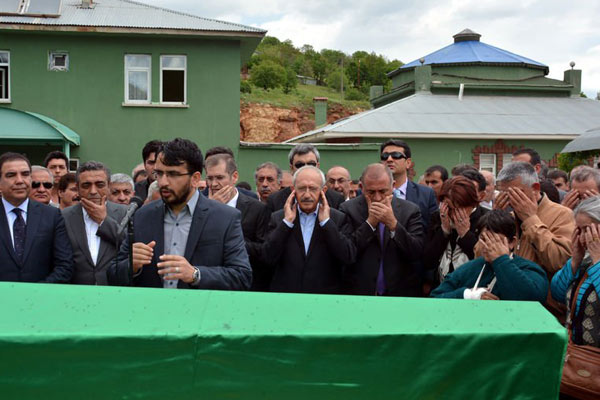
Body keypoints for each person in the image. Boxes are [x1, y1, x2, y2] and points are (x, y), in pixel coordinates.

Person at [107, 138, 251, 290]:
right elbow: (112, 274)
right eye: (159, 173)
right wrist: (131, 265)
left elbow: (242, 277)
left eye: (172, 174)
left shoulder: (225, 218)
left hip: (200, 311)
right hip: (150, 311)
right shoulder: (143, 216)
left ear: (195, 179)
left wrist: (196, 274)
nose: (163, 182)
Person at [492, 161, 574, 318]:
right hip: (507, 306)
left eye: (516, 193)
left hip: (545, 310)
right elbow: (481, 257)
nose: (510, 201)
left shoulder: (562, 215)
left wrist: (531, 220)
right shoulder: (508, 217)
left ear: (535, 188)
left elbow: (559, 261)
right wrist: (495, 220)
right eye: (504, 195)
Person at [261, 166, 356, 294]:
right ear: (293, 190)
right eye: (301, 189)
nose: (306, 195)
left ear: (323, 190)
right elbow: (267, 257)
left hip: (324, 298)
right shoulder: (279, 218)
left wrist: (326, 223)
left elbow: (347, 256)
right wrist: (286, 223)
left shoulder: (337, 218)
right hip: (286, 298)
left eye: (312, 189)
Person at [340, 164, 424, 296]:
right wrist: (370, 223)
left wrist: (393, 224)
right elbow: (346, 252)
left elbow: (416, 251)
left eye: (383, 191)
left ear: (393, 186)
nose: (377, 198)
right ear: (361, 187)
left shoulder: (410, 211)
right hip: (359, 293)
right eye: (371, 192)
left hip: (399, 294)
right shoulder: (348, 209)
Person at [431, 210, 548, 302]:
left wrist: (501, 260)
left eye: (495, 240)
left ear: (512, 242)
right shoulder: (470, 268)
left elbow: (532, 300)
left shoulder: (529, 269)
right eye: (483, 239)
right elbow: (435, 297)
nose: (488, 246)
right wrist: (468, 295)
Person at [0, 152, 73, 283]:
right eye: (11, 175)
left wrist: (36, 292)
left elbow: (64, 265)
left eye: (25, 174)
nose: (20, 180)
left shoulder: (52, 216)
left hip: (41, 299)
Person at [205, 154, 271, 290]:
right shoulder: (200, 206)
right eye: (210, 178)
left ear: (234, 177)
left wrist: (232, 241)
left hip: (244, 286)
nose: (213, 184)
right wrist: (211, 210)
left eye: (219, 177)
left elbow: (263, 251)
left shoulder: (257, 209)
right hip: (209, 282)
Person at [62, 162, 127, 285]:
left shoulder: (125, 213)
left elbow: (130, 248)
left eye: (99, 185)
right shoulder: (63, 217)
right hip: (75, 292)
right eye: (86, 185)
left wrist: (103, 221)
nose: (93, 191)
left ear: (109, 186)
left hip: (115, 290)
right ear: (77, 188)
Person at [551, 196, 600, 346]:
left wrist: (598, 260)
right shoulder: (584, 261)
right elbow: (558, 294)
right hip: (578, 355)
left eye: (589, 229)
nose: (584, 237)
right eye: (579, 230)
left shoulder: (594, 260)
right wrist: (575, 260)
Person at [424, 176, 488, 286]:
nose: (454, 214)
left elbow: (486, 261)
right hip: (442, 286)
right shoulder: (438, 216)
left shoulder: (486, 218)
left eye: (459, 209)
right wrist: (444, 231)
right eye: (449, 207)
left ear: (472, 203)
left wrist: (465, 235)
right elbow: (427, 261)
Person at [267, 144, 344, 212]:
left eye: (311, 164)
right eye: (300, 165)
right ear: (291, 169)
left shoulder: (336, 199)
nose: (305, 168)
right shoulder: (275, 200)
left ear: (318, 166)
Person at [380, 139, 437, 230]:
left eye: (396, 155)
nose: (389, 159)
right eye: (385, 156)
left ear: (408, 163)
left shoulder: (426, 194)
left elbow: (432, 231)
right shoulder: (370, 193)